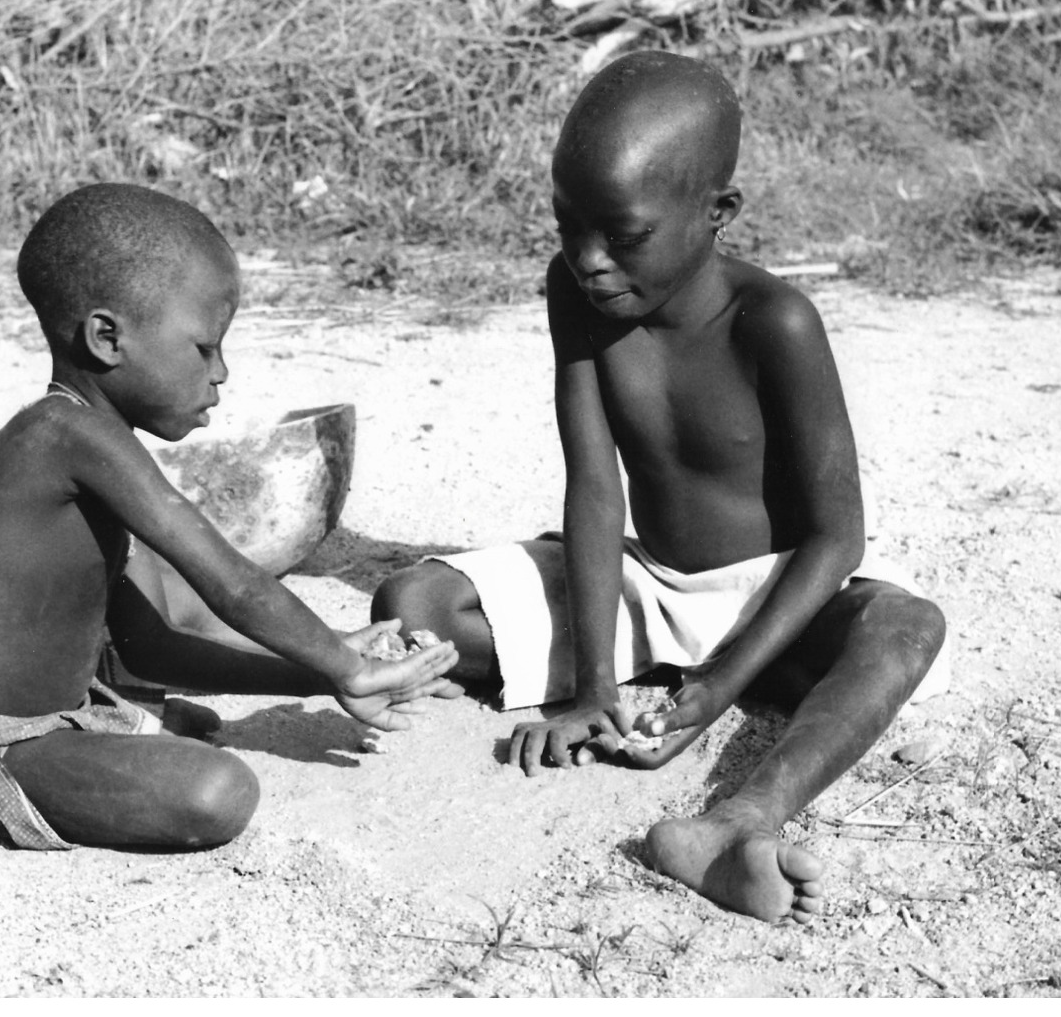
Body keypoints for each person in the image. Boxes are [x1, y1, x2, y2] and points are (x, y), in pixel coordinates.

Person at [372, 52, 946, 924]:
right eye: (568, 227)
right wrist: (594, 689)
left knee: (907, 627)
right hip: (649, 588)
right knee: (415, 597)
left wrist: (717, 688)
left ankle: (739, 820)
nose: (589, 259)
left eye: (623, 235)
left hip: (772, 599)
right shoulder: (578, 297)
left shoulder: (777, 322)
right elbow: (595, 486)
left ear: (717, 214)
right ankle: (638, 672)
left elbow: (838, 538)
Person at [0, 183, 459, 851]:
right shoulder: (69, 436)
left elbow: (153, 643)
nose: (222, 373)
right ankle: (90, 742)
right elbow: (233, 583)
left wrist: (325, 670)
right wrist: (345, 663)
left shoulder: (80, 435)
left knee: (194, 733)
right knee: (216, 792)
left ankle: (104, 734)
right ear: (107, 337)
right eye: (204, 348)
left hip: (43, 711)